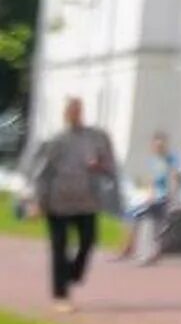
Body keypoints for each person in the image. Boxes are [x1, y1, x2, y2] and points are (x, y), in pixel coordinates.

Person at [23, 98, 120, 312]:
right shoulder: (56, 141)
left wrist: (100, 166)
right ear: (65, 114)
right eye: (71, 111)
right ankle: (61, 296)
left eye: (78, 110)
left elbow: (110, 166)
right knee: (60, 247)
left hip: (86, 201)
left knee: (89, 240)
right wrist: (38, 202)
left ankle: (74, 272)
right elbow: (42, 173)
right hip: (58, 201)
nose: (75, 114)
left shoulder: (95, 138)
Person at [116, 132, 180, 263]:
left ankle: (145, 252)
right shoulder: (153, 160)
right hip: (154, 197)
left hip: (163, 197)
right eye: (156, 145)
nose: (158, 148)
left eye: (161, 145)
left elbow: (173, 178)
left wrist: (172, 196)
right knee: (136, 217)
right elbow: (152, 180)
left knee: (156, 224)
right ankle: (133, 248)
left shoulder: (171, 159)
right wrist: (149, 193)